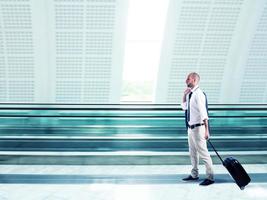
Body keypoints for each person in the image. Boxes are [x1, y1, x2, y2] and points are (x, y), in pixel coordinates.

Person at [181, 72, 214, 186]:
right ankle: (194, 174)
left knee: (203, 153)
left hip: (199, 128)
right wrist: (184, 95)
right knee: (193, 153)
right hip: (191, 128)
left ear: (194, 80)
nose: (186, 80)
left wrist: (207, 130)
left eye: (188, 79)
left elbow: (203, 112)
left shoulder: (198, 94)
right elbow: (184, 108)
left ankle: (210, 177)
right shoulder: (191, 94)